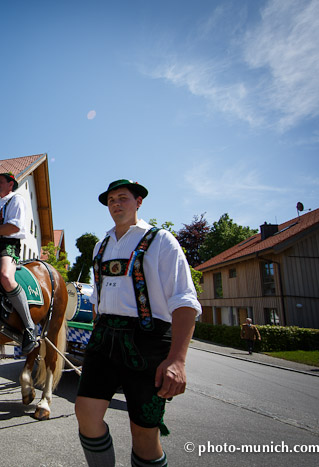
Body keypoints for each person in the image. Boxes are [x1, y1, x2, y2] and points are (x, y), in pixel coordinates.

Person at [75, 179, 201, 467]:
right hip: (104, 338)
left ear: (138, 201)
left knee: (144, 435)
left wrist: (177, 360)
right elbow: (98, 299)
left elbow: (184, 300)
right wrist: (95, 336)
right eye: (111, 200)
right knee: (85, 414)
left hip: (149, 340)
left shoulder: (161, 240)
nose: (116, 204)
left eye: (123, 198)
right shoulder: (100, 245)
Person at [0, 172, 36, 355]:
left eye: (1, 182)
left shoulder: (16, 200)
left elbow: (14, 227)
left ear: (11, 184)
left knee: (6, 277)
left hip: (7, 245)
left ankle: (29, 327)